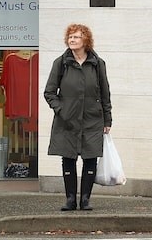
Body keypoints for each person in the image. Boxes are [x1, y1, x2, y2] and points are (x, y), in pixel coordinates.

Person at [44, 24, 112, 211]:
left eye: (76, 37)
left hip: (92, 119)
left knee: (90, 158)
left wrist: (107, 120)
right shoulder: (61, 63)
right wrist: (61, 110)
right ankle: (70, 199)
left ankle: (86, 200)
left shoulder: (98, 64)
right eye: (70, 37)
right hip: (67, 119)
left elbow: (105, 93)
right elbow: (49, 92)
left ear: (85, 41)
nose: (72, 40)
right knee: (68, 157)